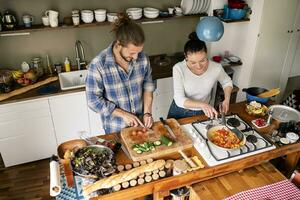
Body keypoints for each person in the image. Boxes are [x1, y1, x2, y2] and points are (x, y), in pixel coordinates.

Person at [86, 14, 155, 134]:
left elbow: (148, 87)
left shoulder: (143, 59)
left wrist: (147, 112)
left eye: (139, 52)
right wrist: (124, 115)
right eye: (132, 52)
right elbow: (93, 101)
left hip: (141, 125)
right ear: (118, 44)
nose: (136, 57)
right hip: (115, 129)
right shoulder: (98, 65)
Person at [167, 32, 233, 119]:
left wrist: (227, 99)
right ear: (186, 56)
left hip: (202, 112)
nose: (199, 66)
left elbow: (227, 82)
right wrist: (202, 105)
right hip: (180, 111)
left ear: (206, 53)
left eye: (202, 60)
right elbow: (179, 99)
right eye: (193, 62)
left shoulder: (216, 68)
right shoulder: (178, 68)